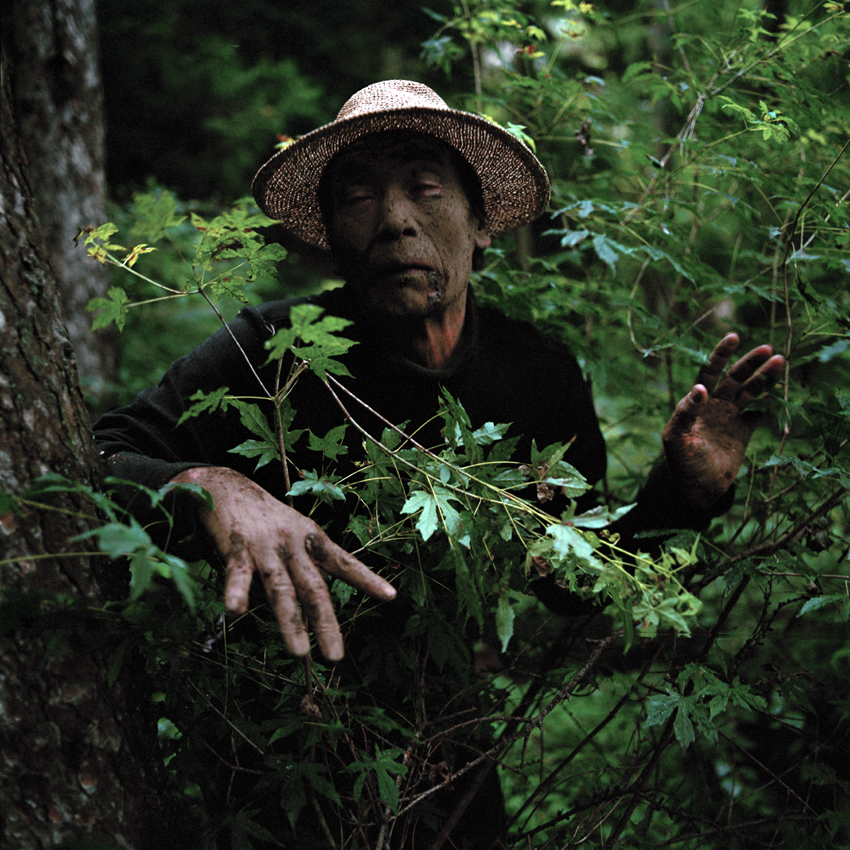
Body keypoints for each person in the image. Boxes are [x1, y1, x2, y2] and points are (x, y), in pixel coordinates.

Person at [94, 80, 784, 847]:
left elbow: (572, 578)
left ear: (481, 221)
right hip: (271, 761)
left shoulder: (540, 374)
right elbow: (97, 457)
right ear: (329, 233)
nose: (394, 220)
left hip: (449, 755)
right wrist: (206, 484)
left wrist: (683, 493)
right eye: (359, 196)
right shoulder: (272, 351)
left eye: (425, 188)